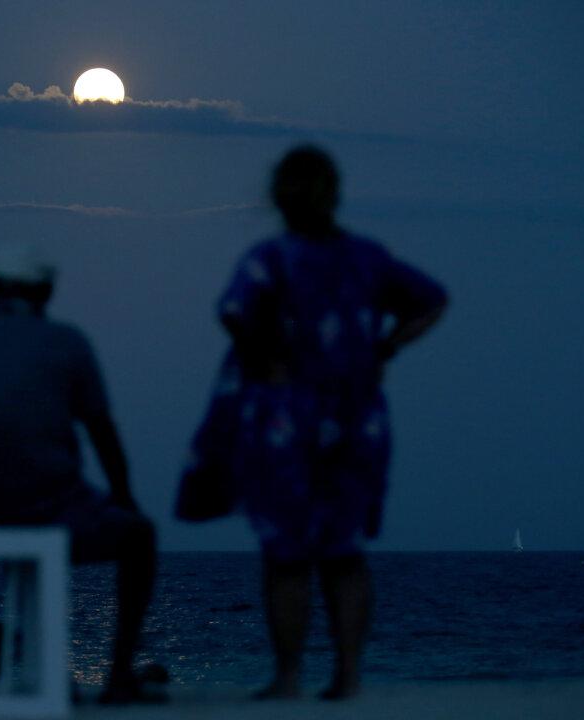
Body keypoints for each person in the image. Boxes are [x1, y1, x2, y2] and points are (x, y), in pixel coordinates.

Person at [219, 146, 447, 700]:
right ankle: (347, 675)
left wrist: (268, 358)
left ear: (277, 196)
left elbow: (232, 313)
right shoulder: (367, 258)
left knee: (287, 554)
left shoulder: (271, 259)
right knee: (343, 554)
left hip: (288, 420)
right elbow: (430, 301)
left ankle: (290, 675)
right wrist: (386, 347)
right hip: (356, 418)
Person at [0, 243, 159, 704]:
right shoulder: (68, 341)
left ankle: (46, 669)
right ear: (48, 291)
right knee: (139, 537)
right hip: (49, 508)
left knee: (24, 525)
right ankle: (119, 676)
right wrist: (124, 497)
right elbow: (103, 433)